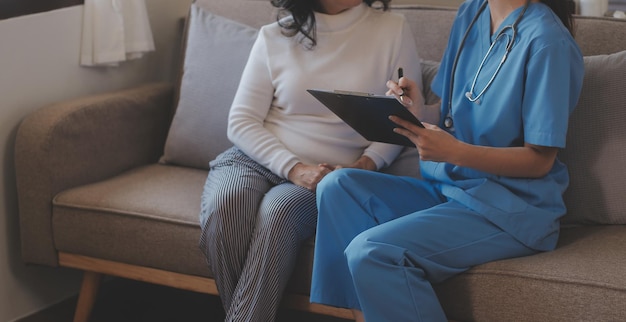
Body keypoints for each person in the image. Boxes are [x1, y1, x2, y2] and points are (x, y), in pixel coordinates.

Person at [310, 0, 584, 321]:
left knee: (372, 252)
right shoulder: (473, 12)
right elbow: (451, 110)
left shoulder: (547, 42)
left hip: (509, 209)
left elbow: (539, 161)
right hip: (452, 188)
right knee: (337, 186)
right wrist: (417, 111)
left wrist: (453, 151)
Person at [198, 0, 422, 320]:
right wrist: (293, 168)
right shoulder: (273, 36)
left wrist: (365, 166)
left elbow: (407, 119)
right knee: (226, 204)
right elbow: (241, 121)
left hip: (325, 173)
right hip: (255, 157)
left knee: (279, 212)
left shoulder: (393, 29)